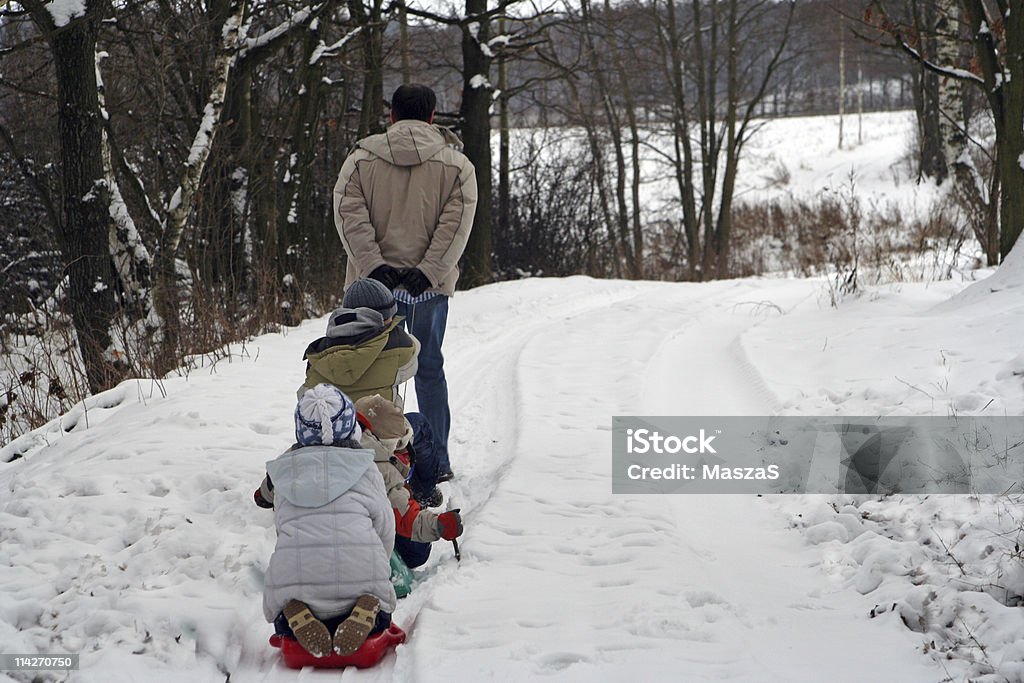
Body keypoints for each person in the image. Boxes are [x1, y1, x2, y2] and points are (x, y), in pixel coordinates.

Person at [334, 83, 477, 481]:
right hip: (428, 290)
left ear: (392, 116)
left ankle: (361, 457)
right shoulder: (456, 166)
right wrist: (429, 271)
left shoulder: (360, 160)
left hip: (368, 289)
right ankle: (436, 462)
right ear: (433, 117)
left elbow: (348, 213)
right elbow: (456, 224)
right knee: (428, 368)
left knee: (365, 369)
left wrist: (374, 267)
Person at [255, 384, 397, 658]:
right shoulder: (366, 470)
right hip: (361, 583)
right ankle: (366, 609)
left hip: (298, 586)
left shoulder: (285, 475)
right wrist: (379, 562)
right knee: (383, 612)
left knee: (281, 619)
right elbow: (385, 528)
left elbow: (283, 528)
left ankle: (296, 615)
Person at [355, 394, 463, 569]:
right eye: (399, 444)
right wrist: (438, 524)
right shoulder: (383, 472)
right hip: (363, 535)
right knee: (418, 552)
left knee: (418, 425)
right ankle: (424, 495)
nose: (404, 449)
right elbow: (406, 517)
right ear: (384, 443)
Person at [297, 278, 418, 406]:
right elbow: (413, 360)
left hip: (331, 425)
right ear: (384, 318)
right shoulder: (397, 347)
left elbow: (304, 397)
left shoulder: (318, 353)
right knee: (417, 420)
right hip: (377, 425)